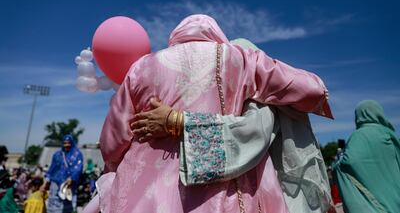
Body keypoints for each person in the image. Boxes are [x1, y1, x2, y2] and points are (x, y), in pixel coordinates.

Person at [95, 14, 332, 213]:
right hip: (219, 196)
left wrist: (113, 166)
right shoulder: (239, 59)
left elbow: (112, 141)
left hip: (145, 196)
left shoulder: (141, 67)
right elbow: (309, 87)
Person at [334, 100, 400, 213]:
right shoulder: (389, 134)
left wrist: (337, 163)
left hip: (373, 206)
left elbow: (349, 162)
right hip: (395, 199)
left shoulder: (359, 135)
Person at [44, 134, 83, 213]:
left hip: (68, 184)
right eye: (65, 143)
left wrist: (72, 178)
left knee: (66, 206)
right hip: (55, 183)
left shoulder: (77, 154)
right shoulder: (57, 155)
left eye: (68, 143)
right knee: (53, 206)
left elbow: (78, 168)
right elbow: (52, 168)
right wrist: (46, 181)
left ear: (72, 143)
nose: (66, 145)